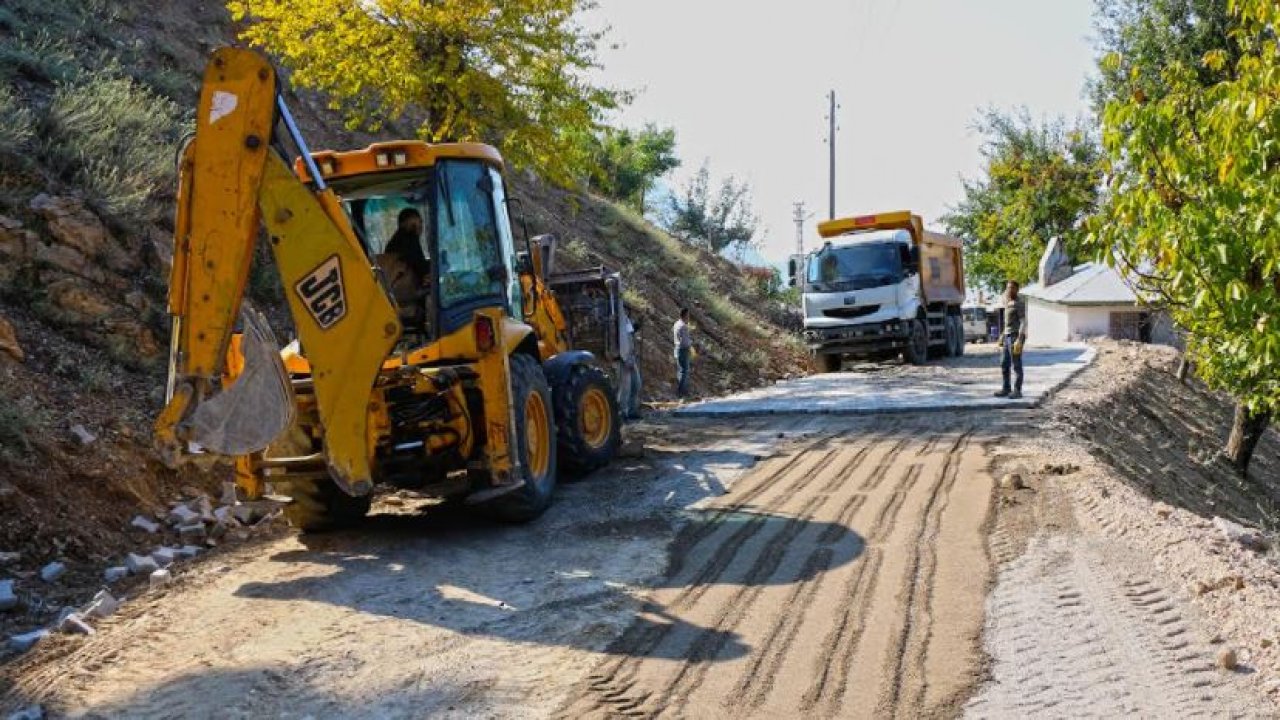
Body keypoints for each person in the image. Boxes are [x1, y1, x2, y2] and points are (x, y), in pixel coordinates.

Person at [995, 280, 1027, 399]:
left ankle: (1017, 391)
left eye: (1012, 288)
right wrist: (1002, 336)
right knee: (1004, 363)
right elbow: (1006, 323)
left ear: (1017, 289)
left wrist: (1019, 339)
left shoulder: (1019, 303)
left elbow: (1023, 321)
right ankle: (1006, 388)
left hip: (1015, 336)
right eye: (1008, 288)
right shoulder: (1007, 303)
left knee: (1016, 364)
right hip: (1007, 336)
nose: (1009, 290)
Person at [384, 207, 430, 278]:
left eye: (421, 223)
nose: (419, 227)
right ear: (403, 224)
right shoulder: (408, 238)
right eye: (413, 225)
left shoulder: (396, 240)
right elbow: (420, 266)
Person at [617, 305, 643, 420]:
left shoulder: (626, 321)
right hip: (624, 358)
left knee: (636, 384)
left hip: (631, 356)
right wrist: (624, 357)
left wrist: (639, 323)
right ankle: (623, 412)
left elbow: (632, 330)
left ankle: (632, 410)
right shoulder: (618, 322)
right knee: (625, 387)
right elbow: (621, 341)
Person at [673, 308, 693, 399]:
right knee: (684, 371)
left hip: (677, 348)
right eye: (688, 315)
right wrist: (690, 345)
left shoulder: (676, 324)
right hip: (683, 350)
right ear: (685, 315)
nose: (689, 317)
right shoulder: (683, 326)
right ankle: (682, 391)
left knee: (680, 370)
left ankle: (680, 390)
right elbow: (685, 341)